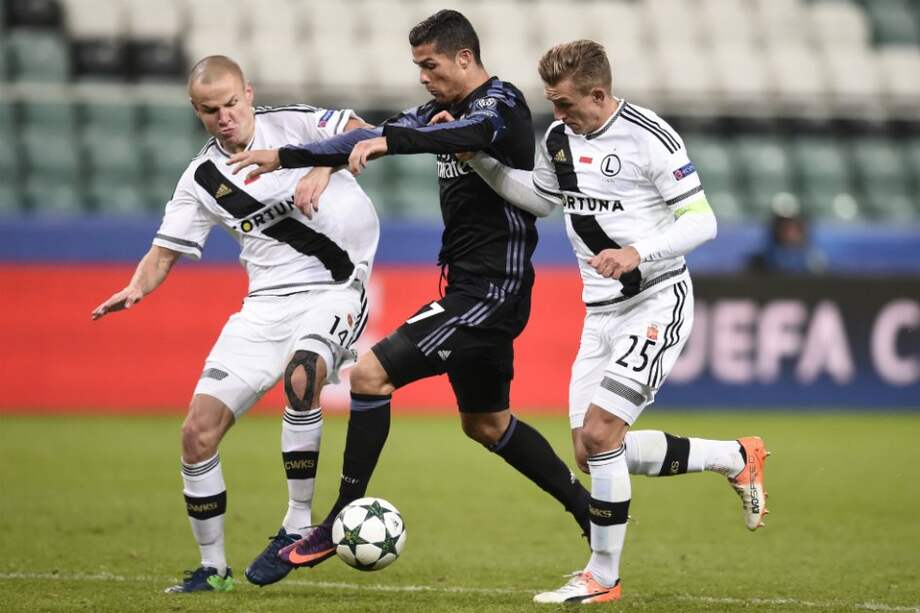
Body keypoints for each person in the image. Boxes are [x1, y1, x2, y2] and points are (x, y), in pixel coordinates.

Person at [229, 10, 592, 576]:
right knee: (487, 424)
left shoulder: (503, 104)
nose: (423, 76)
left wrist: (393, 143)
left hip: (492, 290)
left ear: (464, 59)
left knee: (370, 375)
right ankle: (589, 512)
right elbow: (373, 131)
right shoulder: (432, 113)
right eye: (418, 66)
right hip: (473, 288)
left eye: (431, 65)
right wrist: (297, 158)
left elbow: (461, 135)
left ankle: (338, 517)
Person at [460, 40, 770, 604]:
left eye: (565, 103)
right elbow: (539, 200)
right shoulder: (559, 140)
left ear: (599, 93)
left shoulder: (650, 138)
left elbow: (703, 221)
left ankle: (603, 576)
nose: (557, 115)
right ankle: (734, 456)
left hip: (656, 300)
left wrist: (637, 252)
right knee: (591, 450)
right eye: (552, 103)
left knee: (602, 434)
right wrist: (481, 161)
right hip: (599, 312)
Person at [91, 55, 380, 593]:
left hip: (335, 289)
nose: (224, 117)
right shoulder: (201, 178)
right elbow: (161, 254)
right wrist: (136, 287)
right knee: (197, 434)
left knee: (304, 374)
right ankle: (212, 569)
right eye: (210, 110)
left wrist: (321, 165)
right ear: (196, 112)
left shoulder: (292, 123)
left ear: (248, 94)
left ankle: (296, 524)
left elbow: (362, 131)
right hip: (264, 305)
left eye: (230, 104)